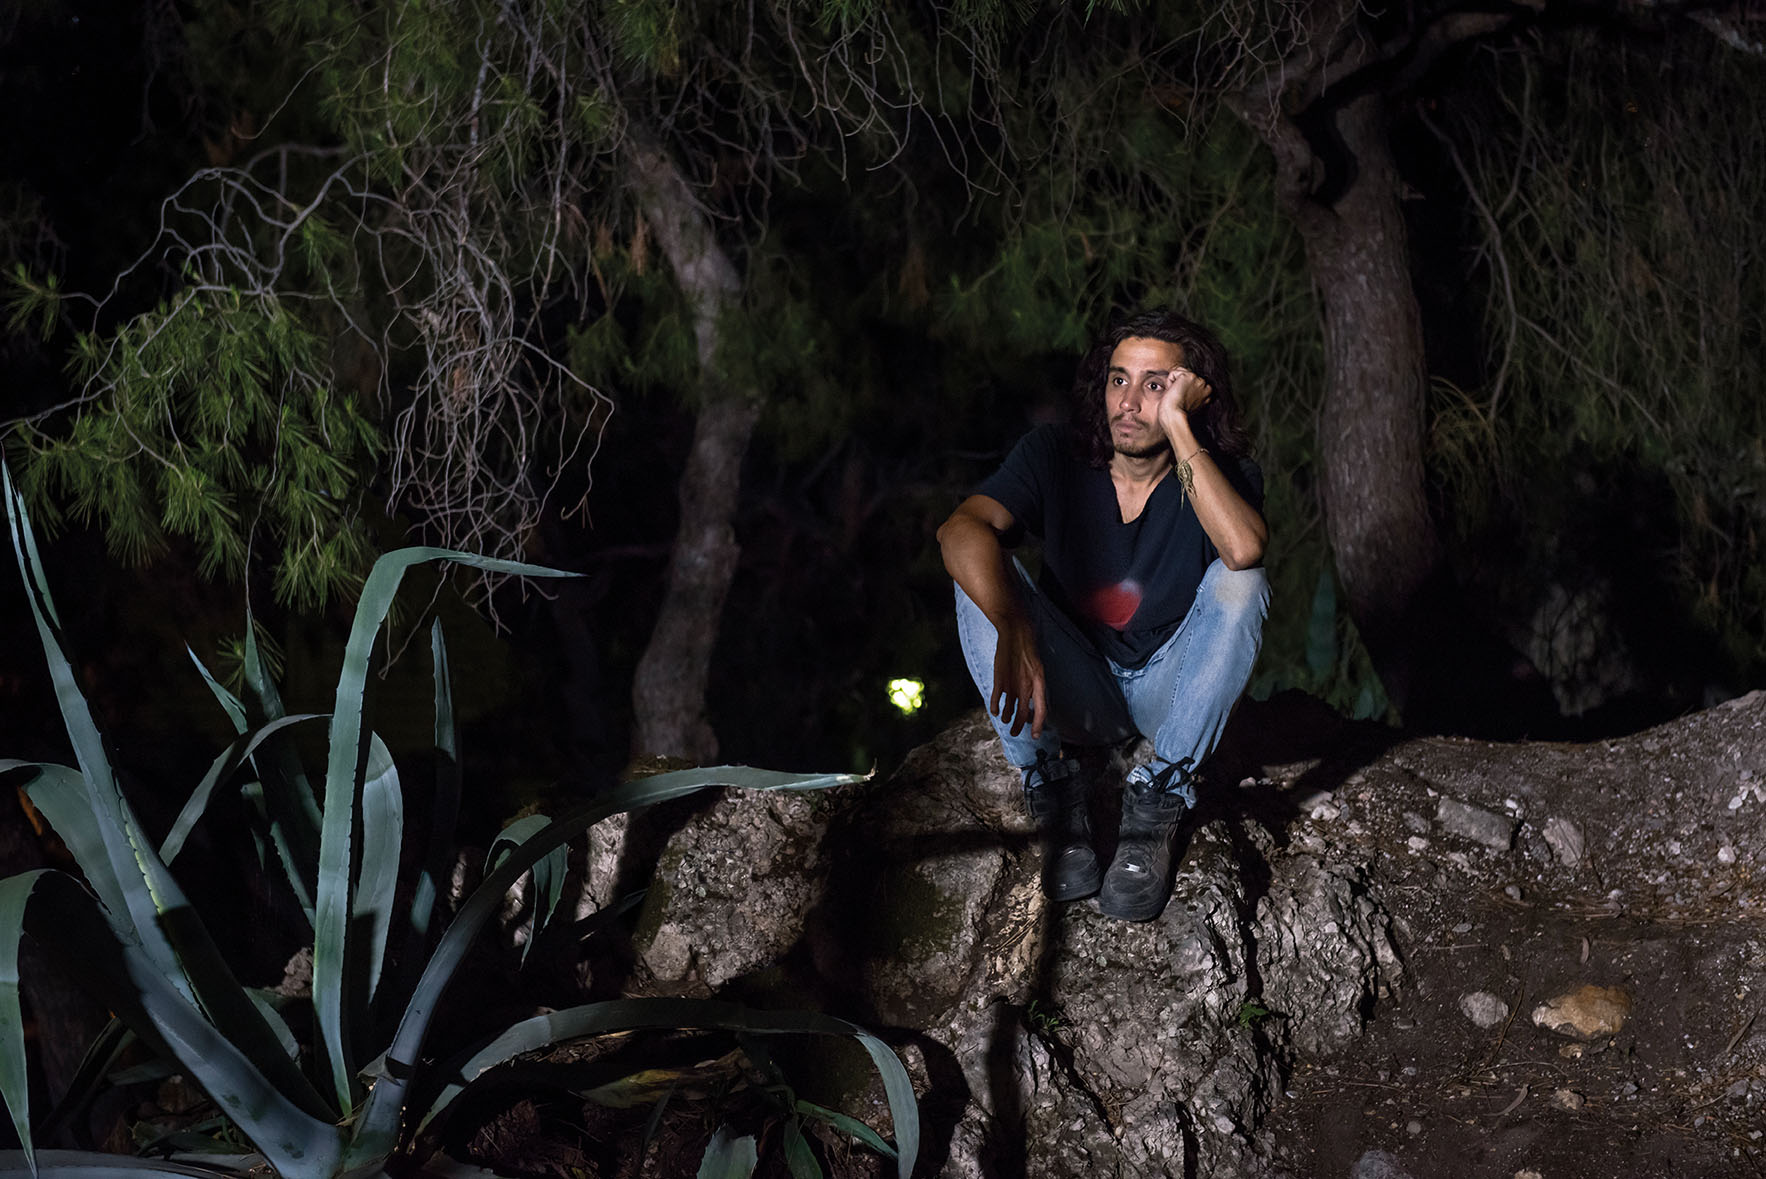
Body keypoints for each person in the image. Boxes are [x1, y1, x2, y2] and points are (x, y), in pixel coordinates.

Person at [936, 309, 1269, 921]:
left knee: (1240, 582)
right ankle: (1052, 791)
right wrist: (1013, 626)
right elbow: (959, 528)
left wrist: (1179, 428)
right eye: (1120, 380)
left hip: (1167, 694)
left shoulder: (1221, 476)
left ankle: (1162, 797)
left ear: (1191, 393)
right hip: (1073, 690)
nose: (1130, 401)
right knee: (979, 572)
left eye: (1155, 385)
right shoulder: (1054, 455)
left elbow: (1245, 550)